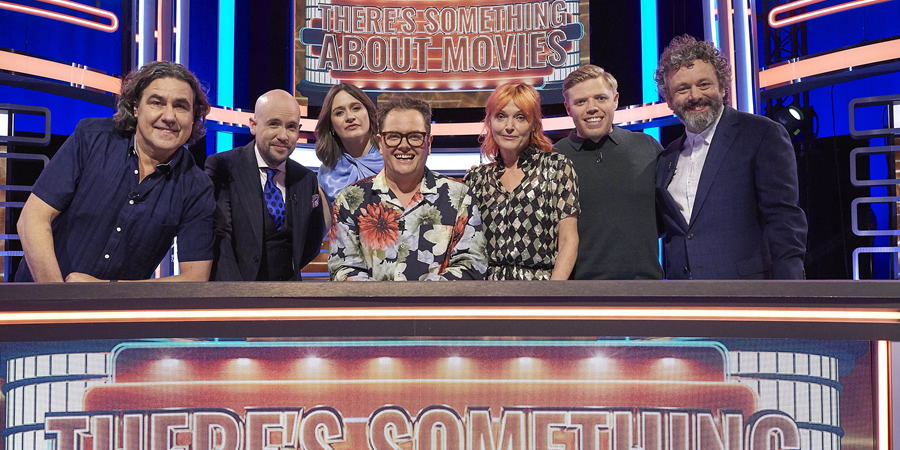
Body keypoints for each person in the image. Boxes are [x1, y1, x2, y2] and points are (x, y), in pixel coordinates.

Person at [15, 61, 214, 282]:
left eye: (180, 106)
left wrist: (109, 289)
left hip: (117, 314)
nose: (168, 116)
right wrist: (58, 298)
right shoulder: (91, 138)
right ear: (136, 108)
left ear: (194, 117)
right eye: (157, 103)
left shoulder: (197, 186)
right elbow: (33, 218)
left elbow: (195, 278)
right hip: (37, 301)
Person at [653, 35, 807, 279]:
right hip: (684, 299)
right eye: (682, 89)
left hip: (747, 296)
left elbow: (784, 220)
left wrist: (791, 294)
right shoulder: (667, 157)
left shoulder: (761, 134)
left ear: (723, 88)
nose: (694, 96)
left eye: (704, 84)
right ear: (670, 101)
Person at [328, 96, 487, 281]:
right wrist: (388, 304)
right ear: (380, 143)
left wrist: (421, 300)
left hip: (437, 309)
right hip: (373, 309)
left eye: (414, 136)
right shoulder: (350, 199)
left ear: (429, 143)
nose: (404, 146)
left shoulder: (459, 196)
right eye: (394, 136)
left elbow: (472, 263)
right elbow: (342, 269)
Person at [554, 65, 664, 280]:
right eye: (580, 102)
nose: (592, 108)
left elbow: (666, 218)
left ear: (615, 100)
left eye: (600, 98)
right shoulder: (553, 158)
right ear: (568, 109)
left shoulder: (648, 147)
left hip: (645, 289)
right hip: (577, 293)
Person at [205, 89, 326, 281]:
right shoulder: (223, 167)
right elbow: (219, 239)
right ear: (253, 125)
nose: (283, 135)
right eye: (274, 124)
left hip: (288, 297)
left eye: (291, 127)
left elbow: (312, 241)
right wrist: (237, 298)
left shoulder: (307, 178)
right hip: (235, 295)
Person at [464, 82, 579, 280]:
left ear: (534, 123)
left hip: (542, 290)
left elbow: (569, 240)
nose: (509, 127)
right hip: (488, 293)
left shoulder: (557, 168)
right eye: (501, 116)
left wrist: (554, 296)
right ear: (490, 121)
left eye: (520, 117)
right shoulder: (476, 179)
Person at [315, 83, 384, 204]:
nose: (349, 117)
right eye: (339, 113)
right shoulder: (326, 174)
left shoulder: (392, 160)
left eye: (356, 108)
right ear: (331, 125)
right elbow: (326, 222)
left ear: (369, 113)